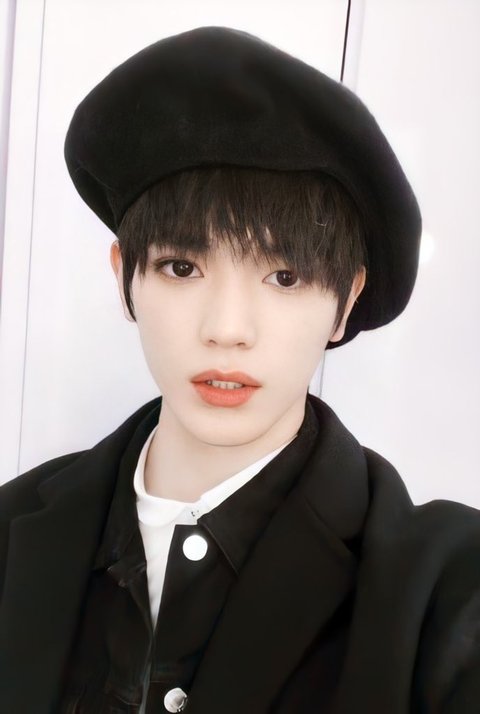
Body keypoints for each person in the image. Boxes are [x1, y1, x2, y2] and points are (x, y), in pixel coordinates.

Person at [1, 25, 479, 714]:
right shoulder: (12, 532)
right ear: (125, 279)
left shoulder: (450, 596)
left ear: (345, 302)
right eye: (181, 267)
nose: (227, 328)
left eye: (284, 277)